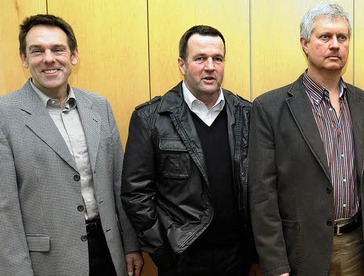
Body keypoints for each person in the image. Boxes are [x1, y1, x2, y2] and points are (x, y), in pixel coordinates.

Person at [0, 14, 143, 276]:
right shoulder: (4, 115)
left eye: (58, 49)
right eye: (37, 51)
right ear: (24, 58)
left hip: (108, 250)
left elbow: (118, 183)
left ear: (73, 55)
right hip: (48, 262)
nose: (49, 59)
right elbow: (4, 209)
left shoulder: (99, 107)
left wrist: (130, 245)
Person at [248, 2, 364, 275]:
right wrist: (276, 265)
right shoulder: (270, 107)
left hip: (357, 247)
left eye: (342, 38)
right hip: (300, 250)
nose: (335, 45)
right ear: (305, 44)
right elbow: (262, 196)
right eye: (325, 37)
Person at [120, 25, 258, 275]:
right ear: (181, 65)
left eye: (217, 59)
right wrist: (163, 251)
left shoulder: (247, 114)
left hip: (237, 256)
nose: (210, 66)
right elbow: (135, 193)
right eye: (200, 58)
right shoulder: (151, 118)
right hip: (182, 258)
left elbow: (260, 185)